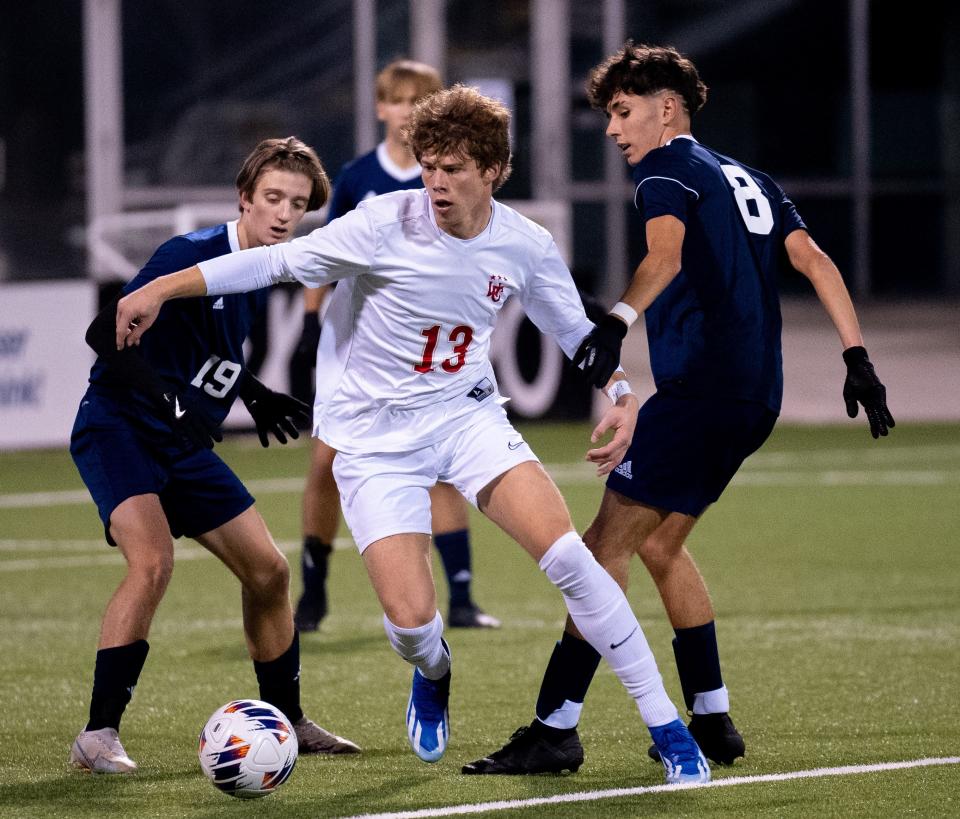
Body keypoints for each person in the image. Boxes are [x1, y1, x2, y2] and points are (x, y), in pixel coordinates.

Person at [113, 85, 712, 785]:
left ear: (493, 169)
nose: (435, 182)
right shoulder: (381, 222)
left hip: (467, 418)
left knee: (572, 561)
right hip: (371, 444)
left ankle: (669, 729)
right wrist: (159, 289)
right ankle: (434, 670)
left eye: (453, 168)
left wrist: (621, 391)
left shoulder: (523, 244)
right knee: (410, 624)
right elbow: (274, 263)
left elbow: (577, 332)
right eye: (428, 166)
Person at [463, 42, 895, 776]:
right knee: (659, 545)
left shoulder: (666, 171)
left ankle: (554, 728)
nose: (612, 129)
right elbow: (815, 259)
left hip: (700, 394)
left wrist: (618, 319)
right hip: (756, 397)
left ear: (668, 108)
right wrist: (859, 358)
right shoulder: (749, 176)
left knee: (600, 551)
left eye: (622, 112)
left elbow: (663, 256)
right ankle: (715, 716)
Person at [68, 137, 361, 774]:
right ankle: (97, 736)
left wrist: (254, 393)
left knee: (270, 573)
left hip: (181, 442)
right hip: (118, 426)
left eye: (299, 204)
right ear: (245, 199)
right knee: (152, 562)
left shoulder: (264, 267)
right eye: (273, 199)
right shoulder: (191, 255)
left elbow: (197, 350)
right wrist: (165, 401)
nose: (285, 214)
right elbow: (104, 332)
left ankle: (288, 721)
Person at [291, 60, 500, 634]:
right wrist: (310, 323)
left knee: (439, 467)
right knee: (327, 461)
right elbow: (324, 254)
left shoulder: (449, 174)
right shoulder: (359, 177)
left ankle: (460, 595)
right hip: (360, 350)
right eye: (399, 100)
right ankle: (313, 592)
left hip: (429, 350)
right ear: (381, 107)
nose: (408, 111)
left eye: (420, 100)